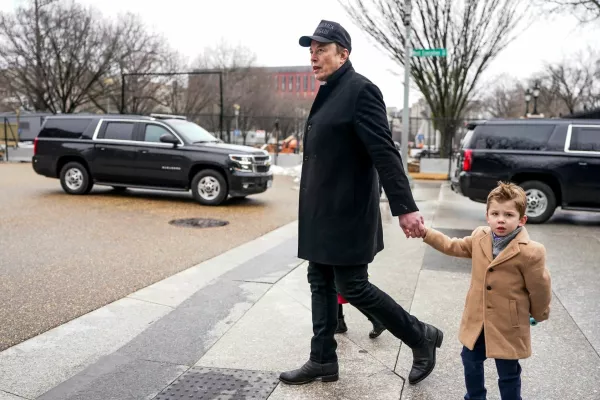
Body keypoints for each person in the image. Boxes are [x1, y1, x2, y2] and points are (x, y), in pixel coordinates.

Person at [278, 20, 444, 386]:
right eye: (311, 50)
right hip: (322, 213)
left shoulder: (361, 91)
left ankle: (421, 337)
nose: (314, 56)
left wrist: (404, 206)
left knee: (352, 286)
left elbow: (384, 152)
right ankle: (322, 360)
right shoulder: (329, 92)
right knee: (319, 280)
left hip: (347, 213)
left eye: (322, 49)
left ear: (343, 53)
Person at [421, 181, 552, 400]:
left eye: (509, 215)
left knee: (508, 372)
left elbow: (540, 287)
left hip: (508, 324)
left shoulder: (531, 252)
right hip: (478, 319)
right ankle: (474, 397)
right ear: (487, 216)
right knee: (470, 360)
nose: (501, 219)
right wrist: (426, 233)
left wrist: (539, 313)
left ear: (522, 220)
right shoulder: (480, 237)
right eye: (496, 213)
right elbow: (453, 245)